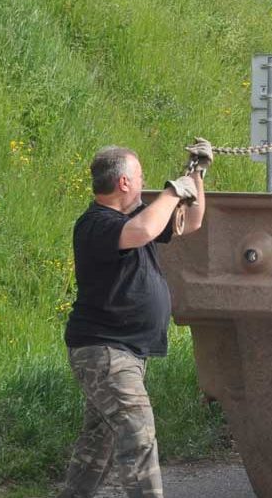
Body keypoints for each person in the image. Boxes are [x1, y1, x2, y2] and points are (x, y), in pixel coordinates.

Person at [58, 139, 212, 498]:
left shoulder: (136, 218)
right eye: (140, 177)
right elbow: (142, 231)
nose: (144, 184)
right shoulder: (95, 224)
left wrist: (197, 174)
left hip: (126, 352)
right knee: (138, 435)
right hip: (104, 351)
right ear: (124, 182)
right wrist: (175, 190)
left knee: (96, 448)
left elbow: (192, 221)